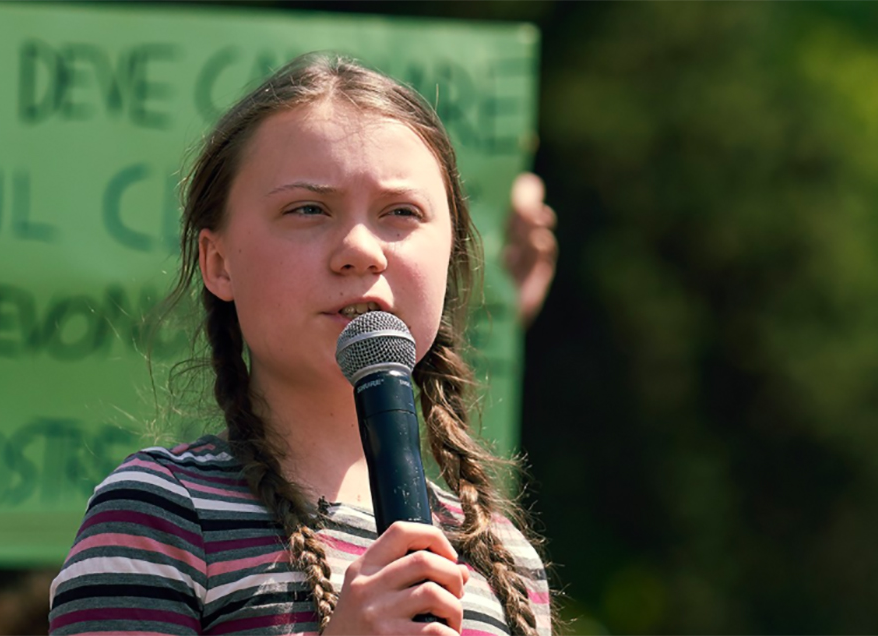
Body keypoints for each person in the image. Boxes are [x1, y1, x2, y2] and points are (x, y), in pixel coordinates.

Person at [48, 53, 553, 635]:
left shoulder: (504, 561)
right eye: (308, 209)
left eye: (402, 212)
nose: (362, 249)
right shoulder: (157, 512)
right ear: (219, 262)